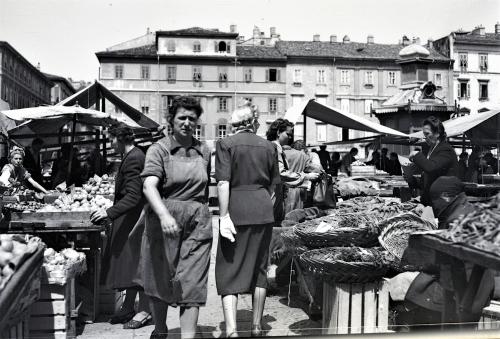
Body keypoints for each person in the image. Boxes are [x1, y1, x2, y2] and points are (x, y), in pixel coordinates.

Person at [137, 96, 212, 339]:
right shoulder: (158, 149)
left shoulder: (204, 151)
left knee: (192, 282)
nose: (187, 123)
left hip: (197, 223)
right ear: (172, 120)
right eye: (182, 117)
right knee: (160, 278)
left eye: (192, 118)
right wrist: (164, 215)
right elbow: (149, 186)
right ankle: (160, 330)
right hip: (163, 221)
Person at [392, 177, 495, 328]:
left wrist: (418, 259)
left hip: (464, 294)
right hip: (472, 289)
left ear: (446, 196)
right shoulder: (465, 211)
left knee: (415, 301)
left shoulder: (458, 221)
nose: (433, 204)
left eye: (434, 199)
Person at [215, 102, 279, 337]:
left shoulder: (225, 144)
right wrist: (263, 206)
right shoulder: (269, 146)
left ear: (234, 124)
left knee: (229, 268)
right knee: (259, 268)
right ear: (252, 122)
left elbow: (223, 182)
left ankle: (231, 330)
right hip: (262, 210)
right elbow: (273, 186)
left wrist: (223, 217)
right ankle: (256, 326)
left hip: (236, 210)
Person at [90, 126, 151, 329]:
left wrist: (109, 212)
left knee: (137, 264)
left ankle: (144, 310)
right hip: (129, 219)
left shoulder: (134, 158)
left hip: (135, 220)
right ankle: (127, 307)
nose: (111, 145)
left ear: (119, 139)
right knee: (128, 264)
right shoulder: (132, 155)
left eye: (111, 140)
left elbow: (134, 196)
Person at [266, 119, 319, 224]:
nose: (290, 138)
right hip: (273, 193)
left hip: (279, 192)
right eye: (288, 134)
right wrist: (306, 176)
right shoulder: (275, 148)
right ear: (278, 132)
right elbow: (281, 173)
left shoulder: (275, 147)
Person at [408, 116, 458, 206]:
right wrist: (411, 178)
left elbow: (431, 167)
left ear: (437, 133)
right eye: (424, 134)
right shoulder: (432, 149)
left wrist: (416, 155)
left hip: (443, 203)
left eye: (427, 134)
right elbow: (428, 178)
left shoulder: (445, 149)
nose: (424, 138)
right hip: (431, 201)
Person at [284, 140, 321, 214]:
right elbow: (315, 169)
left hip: (284, 188)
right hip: (299, 188)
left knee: (284, 213)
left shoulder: (284, 153)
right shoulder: (303, 156)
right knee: (296, 214)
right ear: (303, 149)